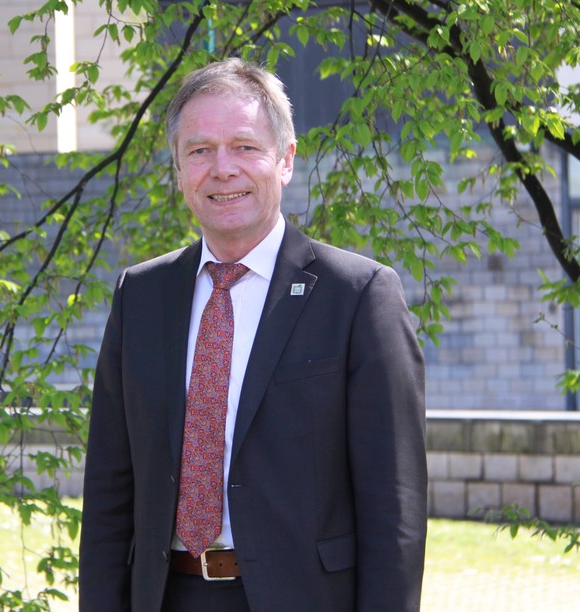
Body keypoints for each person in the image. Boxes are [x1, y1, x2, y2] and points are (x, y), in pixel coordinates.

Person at [79, 58, 427, 611]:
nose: (222, 169)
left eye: (245, 146)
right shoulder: (140, 296)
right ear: (177, 169)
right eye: (199, 150)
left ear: (285, 160)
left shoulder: (357, 297)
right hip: (166, 595)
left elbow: (395, 509)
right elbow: (107, 496)